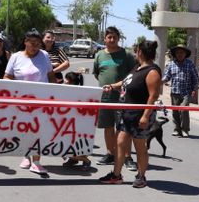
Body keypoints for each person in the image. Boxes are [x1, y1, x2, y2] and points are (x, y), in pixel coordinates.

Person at [99, 39, 162, 188]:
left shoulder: (152, 71)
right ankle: (116, 175)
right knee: (120, 143)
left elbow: (153, 96)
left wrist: (146, 116)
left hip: (139, 116)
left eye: (136, 50)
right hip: (126, 114)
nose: (135, 53)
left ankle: (141, 176)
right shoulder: (138, 68)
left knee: (140, 147)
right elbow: (126, 82)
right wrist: (112, 86)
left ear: (140, 52)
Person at [4, 28, 56, 175]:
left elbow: (51, 76)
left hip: (41, 102)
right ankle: (25, 156)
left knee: (39, 131)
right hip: (21, 103)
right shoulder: (15, 57)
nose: (35, 47)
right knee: (24, 129)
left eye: (38, 44)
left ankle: (37, 162)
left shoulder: (44, 55)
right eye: (32, 43)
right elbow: (7, 77)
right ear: (25, 42)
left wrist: (57, 93)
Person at [93, 26, 137, 170]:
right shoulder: (99, 55)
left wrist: (116, 85)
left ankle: (127, 157)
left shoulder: (127, 55)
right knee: (108, 126)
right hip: (105, 97)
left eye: (114, 37)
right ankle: (110, 153)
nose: (111, 40)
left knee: (124, 128)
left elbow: (132, 74)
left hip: (123, 98)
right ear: (105, 39)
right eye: (109, 37)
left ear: (118, 39)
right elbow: (97, 74)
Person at [163, 44, 199, 138]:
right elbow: (167, 77)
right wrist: (159, 82)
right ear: (175, 54)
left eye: (182, 52)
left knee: (183, 109)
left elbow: (195, 78)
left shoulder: (190, 64)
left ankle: (185, 130)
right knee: (175, 111)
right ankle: (176, 129)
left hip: (186, 92)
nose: (180, 54)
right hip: (175, 92)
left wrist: (195, 89)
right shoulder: (171, 64)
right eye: (178, 52)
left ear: (185, 54)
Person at [61, 71, 92, 169]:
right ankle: (73, 160)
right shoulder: (67, 90)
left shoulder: (77, 93)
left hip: (74, 125)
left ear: (70, 81)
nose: (64, 81)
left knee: (66, 147)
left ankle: (85, 160)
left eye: (66, 79)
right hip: (68, 124)